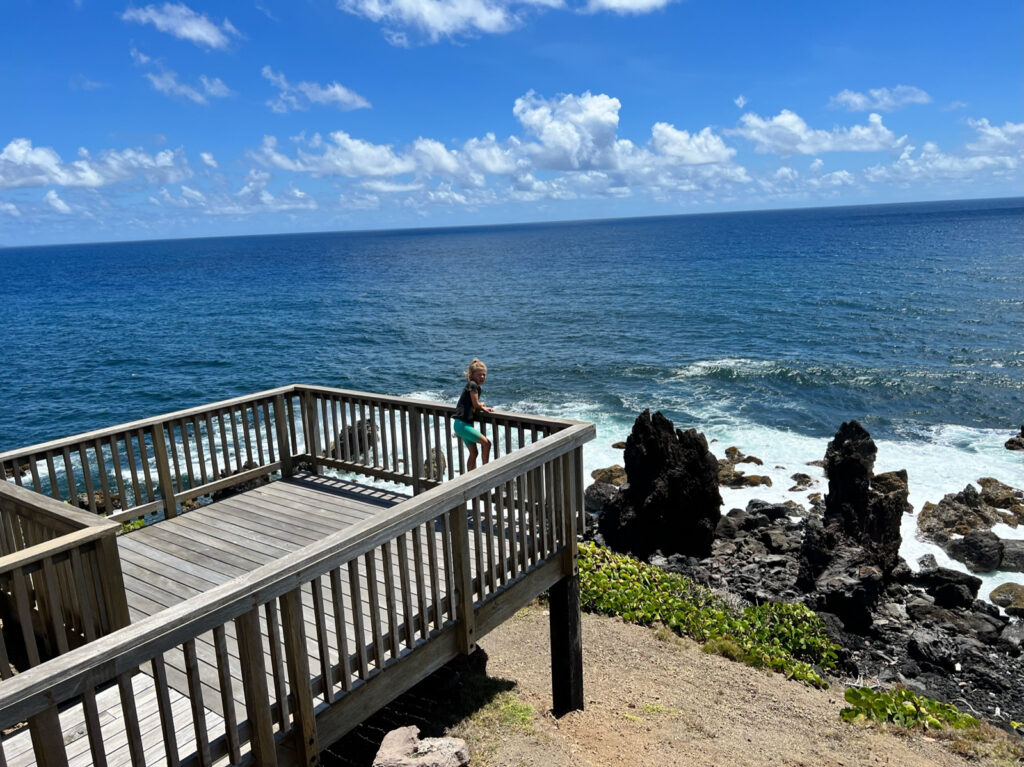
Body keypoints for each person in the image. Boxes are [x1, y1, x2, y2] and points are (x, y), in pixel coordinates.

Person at [453, 358, 494, 470]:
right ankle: (485, 471)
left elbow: (472, 403)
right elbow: (475, 404)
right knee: (487, 444)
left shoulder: (472, 385)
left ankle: (470, 477)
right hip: (463, 425)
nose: (482, 377)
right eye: (479, 375)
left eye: (484, 375)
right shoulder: (473, 385)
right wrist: (483, 406)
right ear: (471, 375)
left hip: (460, 424)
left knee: (474, 453)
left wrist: (480, 405)